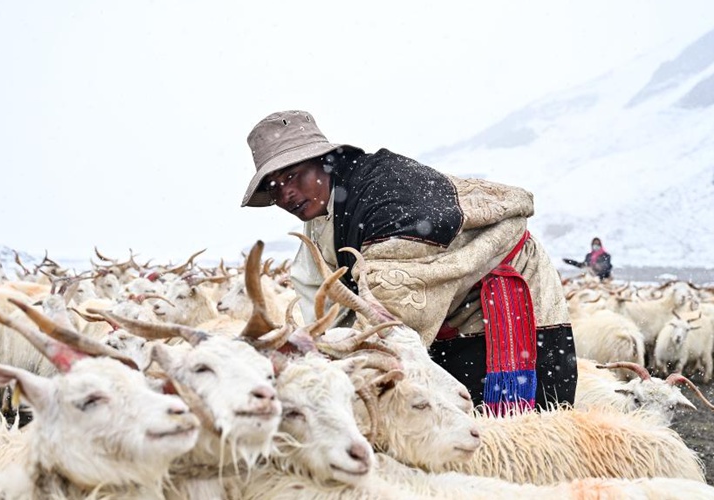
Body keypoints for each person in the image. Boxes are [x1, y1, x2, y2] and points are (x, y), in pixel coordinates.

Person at [240, 110, 577, 414]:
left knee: (505, 435)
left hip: (506, 306)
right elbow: (336, 304)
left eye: (293, 176)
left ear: (325, 163)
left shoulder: (390, 205)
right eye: (274, 186)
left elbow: (387, 324)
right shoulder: (324, 212)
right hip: (446, 313)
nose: (285, 194)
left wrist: (312, 375)